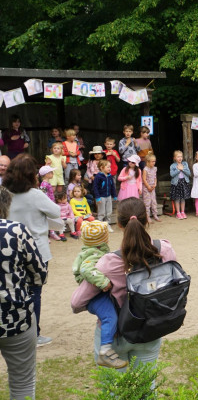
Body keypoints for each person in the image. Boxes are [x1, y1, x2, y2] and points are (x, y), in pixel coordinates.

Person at [71, 198, 178, 369]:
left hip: (116, 335)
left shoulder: (108, 262)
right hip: (151, 328)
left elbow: (76, 303)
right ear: (147, 220)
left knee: (113, 393)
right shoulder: (164, 250)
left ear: (120, 225)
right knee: (146, 390)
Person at [0, 185, 46, 400]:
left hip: (15, 317)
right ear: (6, 205)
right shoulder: (16, 230)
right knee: (22, 382)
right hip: (15, 316)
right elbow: (39, 273)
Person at [5, 155, 60, 347]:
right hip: (37, 250)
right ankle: (34, 335)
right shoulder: (36, 195)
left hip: (10, 249)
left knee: (13, 290)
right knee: (35, 292)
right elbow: (56, 212)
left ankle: (14, 328)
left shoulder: (4, 194)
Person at [71, 220, 126, 368]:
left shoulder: (91, 250)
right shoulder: (94, 253)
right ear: (104, 239)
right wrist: (103, 282)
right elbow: (86, 270)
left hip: (98, 295)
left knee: (110, 316)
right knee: (110, 317)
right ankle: (105, 351)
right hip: (96, 296)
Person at [93, 159, 117, 228]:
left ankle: (107, 224)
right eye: (108, 167)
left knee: (109, 211)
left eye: (110, 167)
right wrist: (97, 197)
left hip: (108, 196)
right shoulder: (98, 176)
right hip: (101, 197)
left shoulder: (110, 176)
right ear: (101, 167)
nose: (110, 168)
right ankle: (101, 225)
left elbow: (112, 186)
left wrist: (114, 195)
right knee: (102, 212)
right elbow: (95, 188)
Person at [169, 150, 191, 219]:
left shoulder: (185, 164)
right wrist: (178, 169)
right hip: (176, 183)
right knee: (177, 198)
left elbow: (189, 173)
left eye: (181, 156)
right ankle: (178, 213)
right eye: (178, 157)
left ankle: (182, 212)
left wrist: (183, 169)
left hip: (183, 182)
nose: (180, 158)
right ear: (175, 158)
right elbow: (172, 174)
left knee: (183, 198)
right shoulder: (173, 165)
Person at [141, 154, 160, 222]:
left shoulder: (155, 168)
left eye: (154, 161)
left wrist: (155, 184)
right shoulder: (145, 169)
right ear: (148, 162)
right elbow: (144, 179)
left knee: (153, 201)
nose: (153, 163)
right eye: (152, 161)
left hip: (152, 187)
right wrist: (148, 186)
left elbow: (155, 177)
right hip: (146, 188)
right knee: (147, 202)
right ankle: (147, 216)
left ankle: (155, 215)